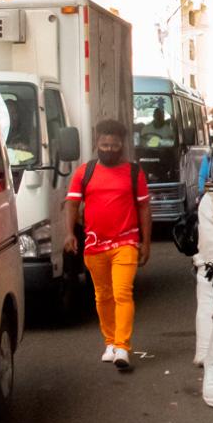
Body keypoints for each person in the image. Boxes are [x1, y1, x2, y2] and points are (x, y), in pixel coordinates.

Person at [63, 119, 152, 373]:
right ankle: (110, 341)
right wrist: (69, 233)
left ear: (122, 145)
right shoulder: (84, 172)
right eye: (105, 144)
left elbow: (144, 207)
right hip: (94, 244)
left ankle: (123, 346)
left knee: (122, 292)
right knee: (103, 295)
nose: (110, 149)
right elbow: (71, 205)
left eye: (114, 145)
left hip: (126, 241)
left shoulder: (134, 172)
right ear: (97, 143)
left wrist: (146, 242)